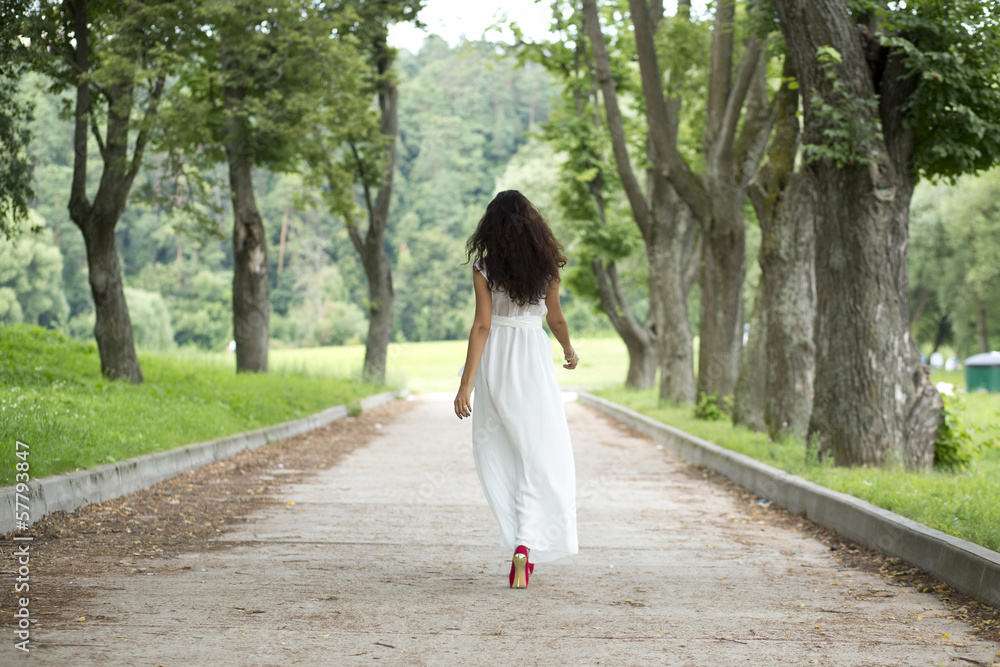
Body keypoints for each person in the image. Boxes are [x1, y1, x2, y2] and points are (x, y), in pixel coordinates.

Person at [454, 190, 580, 589]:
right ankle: (525, 543)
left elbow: (482, 326)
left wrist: (466, 385)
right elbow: (556, 320)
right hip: (533, 360)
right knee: (537, 452)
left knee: (499, 450)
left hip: (496, 361)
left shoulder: (484, 268)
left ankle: (518, 537)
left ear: (491, 227)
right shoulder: (547, 267)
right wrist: (569, 350)